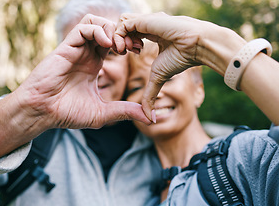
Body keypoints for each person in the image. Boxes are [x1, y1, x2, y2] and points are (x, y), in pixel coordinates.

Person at [0, 0, 160, 206]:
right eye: (82, 52)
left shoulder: (157, 141)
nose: (95, 69)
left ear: (131, 61)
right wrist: (21, 115)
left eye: (110, 53)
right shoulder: (29, 132)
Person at [114, 12, 279, 205]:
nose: (153, 92)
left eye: (167, 79)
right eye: (135, 87)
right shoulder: (136, 196)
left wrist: (203, 42)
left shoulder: (246, 156)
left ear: (198, 90)